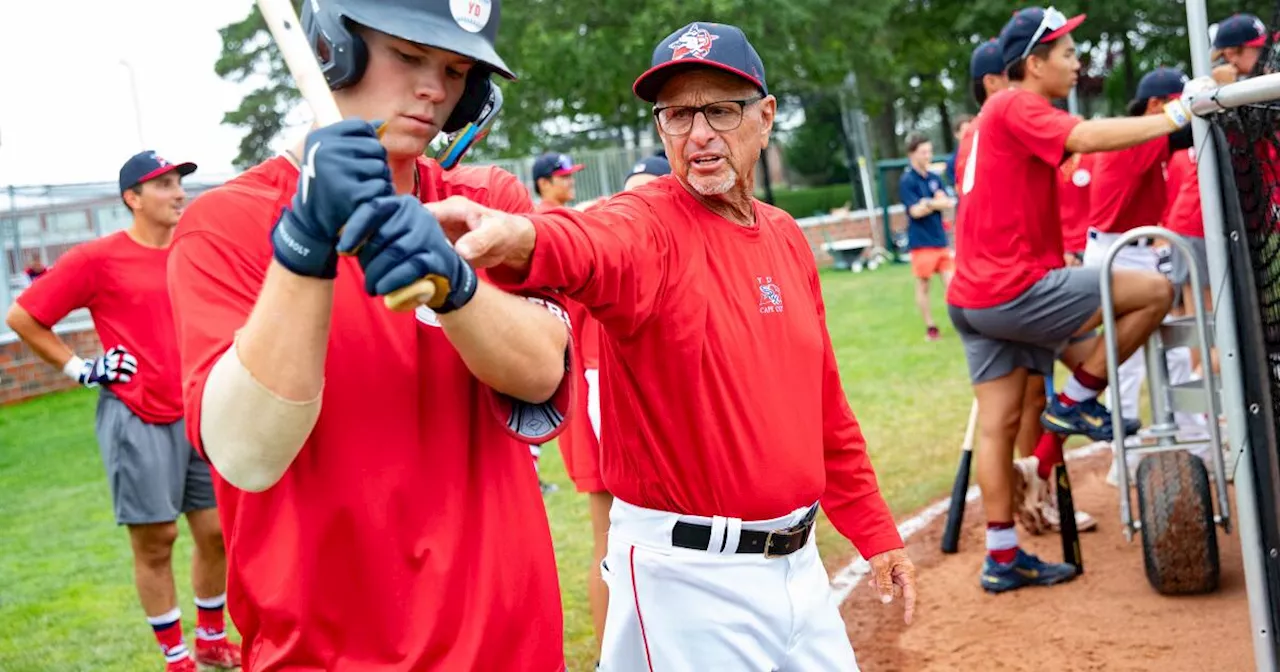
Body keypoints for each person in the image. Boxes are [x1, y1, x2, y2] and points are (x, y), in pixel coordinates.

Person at [426, 20, 915, 671]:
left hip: (799, 567)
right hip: (688, 582)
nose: (698, 133)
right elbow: (587, 242)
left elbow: (826, 405)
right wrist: (516, 237)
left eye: (719, 109)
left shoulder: (785, 237)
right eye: (677, 115)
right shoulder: (650, 223)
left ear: (765, 117)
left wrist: (876, 531)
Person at [164, 1, 574, 668]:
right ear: (332, 46)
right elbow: (245, 453)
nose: (435, 89)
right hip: (328, 652)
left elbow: (541, 374)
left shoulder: (484, 202)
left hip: (511, 641)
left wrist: (455, 286)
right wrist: (305, 245)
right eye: (408, 55)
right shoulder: (225, 224)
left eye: (456, 70)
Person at [948, 7, 1203, 593]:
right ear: (1033, 64)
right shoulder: (1018, 103)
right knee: (1155, 289)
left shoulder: (990, 115)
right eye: (1065, 52)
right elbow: (1085, 137)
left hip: (975, 294)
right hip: (1012, 286)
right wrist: (1176, 115)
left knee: (998, 425)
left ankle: (1003, 557)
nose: (1076, 61)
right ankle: (1075, 403)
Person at [5, 151, 239, 671]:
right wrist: (80, 369)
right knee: (158, 539)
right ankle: (176, 657)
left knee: (218, 532)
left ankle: (210, 637)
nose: (179, 193)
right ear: (132, 198)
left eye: (180, 183)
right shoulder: (97, 258)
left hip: (198, 409)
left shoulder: (192, 249)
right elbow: (24, 316)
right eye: (165, 185)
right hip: (137, 415)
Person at [957, 37, 1098, 535]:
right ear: (995, 83)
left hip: (1019, 276)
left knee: (1034, 405)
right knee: (1031, 404)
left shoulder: (994, 129)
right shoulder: (993, 128)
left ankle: (1038, 484)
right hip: (1013, 282)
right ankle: (1041, 486)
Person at [1080, 67, 1198, 483]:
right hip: (1117, 254)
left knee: (1177, 349)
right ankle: (1123, 458)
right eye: (1177, 101)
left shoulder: (1141, 134)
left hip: (1136, 253)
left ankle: (1195, 441)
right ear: (1154, 105)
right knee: (1127, 362)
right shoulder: (1139, 134)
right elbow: (1187, 128)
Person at [899, 131, 955, 341]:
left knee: (953, 284)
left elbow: (947, 201)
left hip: (940, 239)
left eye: (929, 151)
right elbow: (915, 211)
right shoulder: (907, 180)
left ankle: (960, 322)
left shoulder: (933, 177)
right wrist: (933, 203)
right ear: (912, 154)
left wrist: (928, 204)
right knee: (924, 285)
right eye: (923, 152)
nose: (928, 155)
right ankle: (930, 327)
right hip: (921, 243)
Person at [1211, 13, 1269, 84]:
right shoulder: (1205, 86)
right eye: (1259, 48)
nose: (1268, 52)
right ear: (1230, 54)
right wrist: (1224, 87)